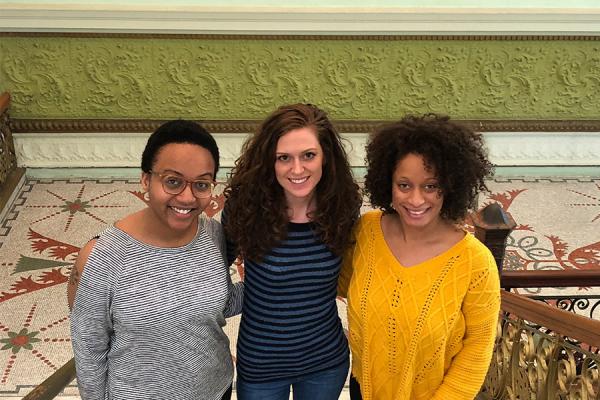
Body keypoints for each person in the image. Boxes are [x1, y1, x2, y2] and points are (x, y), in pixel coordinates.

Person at [68, 119, 243, 400]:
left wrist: (278, 280)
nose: (187, 197)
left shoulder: (213, 234)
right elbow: (89, 347)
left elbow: (216, 305)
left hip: (214, 389)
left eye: (201, 184)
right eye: (173, 181)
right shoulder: (100, 256)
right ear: (146, 180)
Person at [338, 114, 500, 400]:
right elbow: (335, 283)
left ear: (450, 186)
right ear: (387, 183)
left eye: (430, 186)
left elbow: (477, 350)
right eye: (404, 185)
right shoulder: (367, 231)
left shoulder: (475, 262)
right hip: (364, 389)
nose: (415, 200)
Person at [223, 103, 362, 400]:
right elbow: (212, 270)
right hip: (261, 366)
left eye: (308, 155)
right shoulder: (245, 208)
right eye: (283, 158)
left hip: (325, 361)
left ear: (326, 156)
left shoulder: (342, 207)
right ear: (268, 162)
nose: (297, 169)